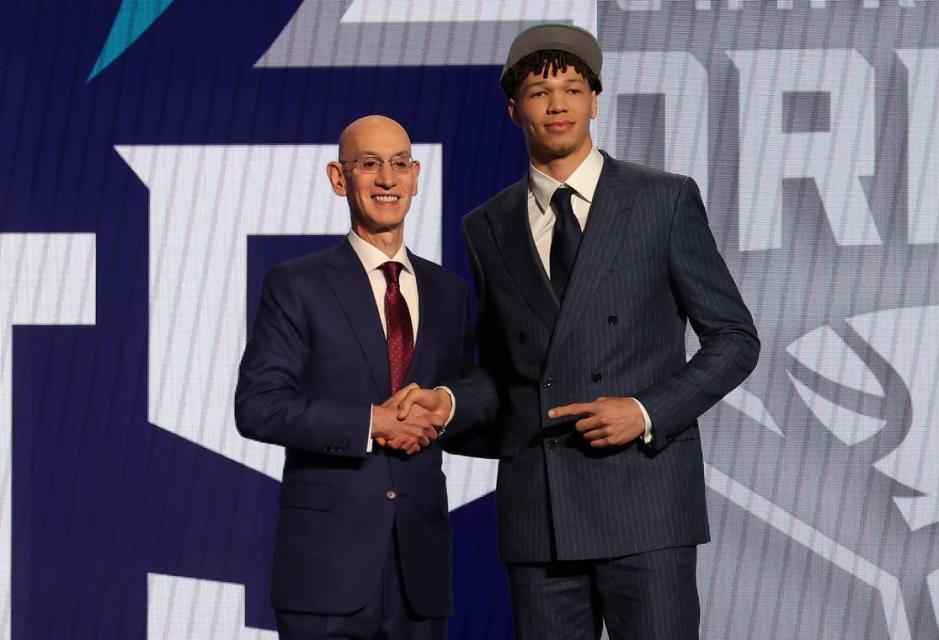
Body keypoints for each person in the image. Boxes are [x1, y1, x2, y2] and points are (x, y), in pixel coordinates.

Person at [398, 23, 760, 640]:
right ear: (514, 108)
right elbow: (507, 368)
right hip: (540, 511)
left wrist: (647, 410)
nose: (558, 103)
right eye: (540, 90)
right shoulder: (487, 225)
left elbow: (734, 338)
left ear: (596, 98)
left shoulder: (662, 200)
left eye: (572, 87)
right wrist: (449, 401)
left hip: (644, 501)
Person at [235, 115, 470, 640]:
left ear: (415, 176)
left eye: (399, 164)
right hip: (325, 571)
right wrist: (372, 424)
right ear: (340, 179)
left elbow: (474, 398)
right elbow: (258, 405)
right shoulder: (296, 284)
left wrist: (449, 404)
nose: (387, 179)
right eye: (369, 164)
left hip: (420, 571)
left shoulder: (449, 292)